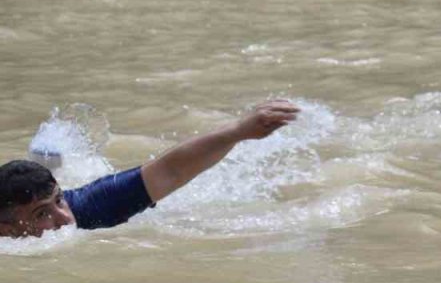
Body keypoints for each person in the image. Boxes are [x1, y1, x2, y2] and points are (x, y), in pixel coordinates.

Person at [0, 100, 299, 238]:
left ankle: (50, 161)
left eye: (58, 201)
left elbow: (171, 171)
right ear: (7, 229)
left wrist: (238, 131)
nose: (64, 218)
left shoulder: (89, 208)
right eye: (42, 215)